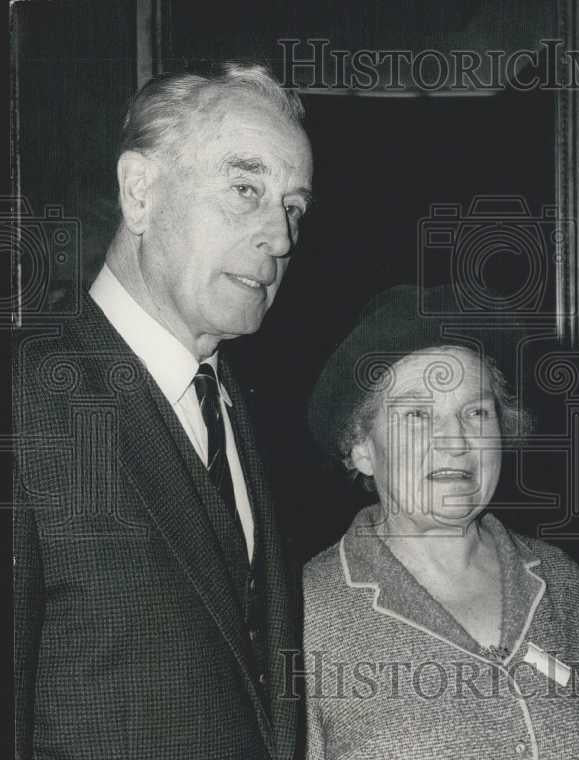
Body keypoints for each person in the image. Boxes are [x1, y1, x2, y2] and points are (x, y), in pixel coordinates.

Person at [14, 63, 313, 759]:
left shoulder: (249, 414)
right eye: (247, 190)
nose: (281, 237)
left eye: (294, 205)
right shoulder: (22, 398)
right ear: (140, 192)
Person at [303, 284, 579, 760]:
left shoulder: (563, 582)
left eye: (476, 411)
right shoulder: (309, 611)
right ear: (362, 448)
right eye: (417, 414)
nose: (454, 441)